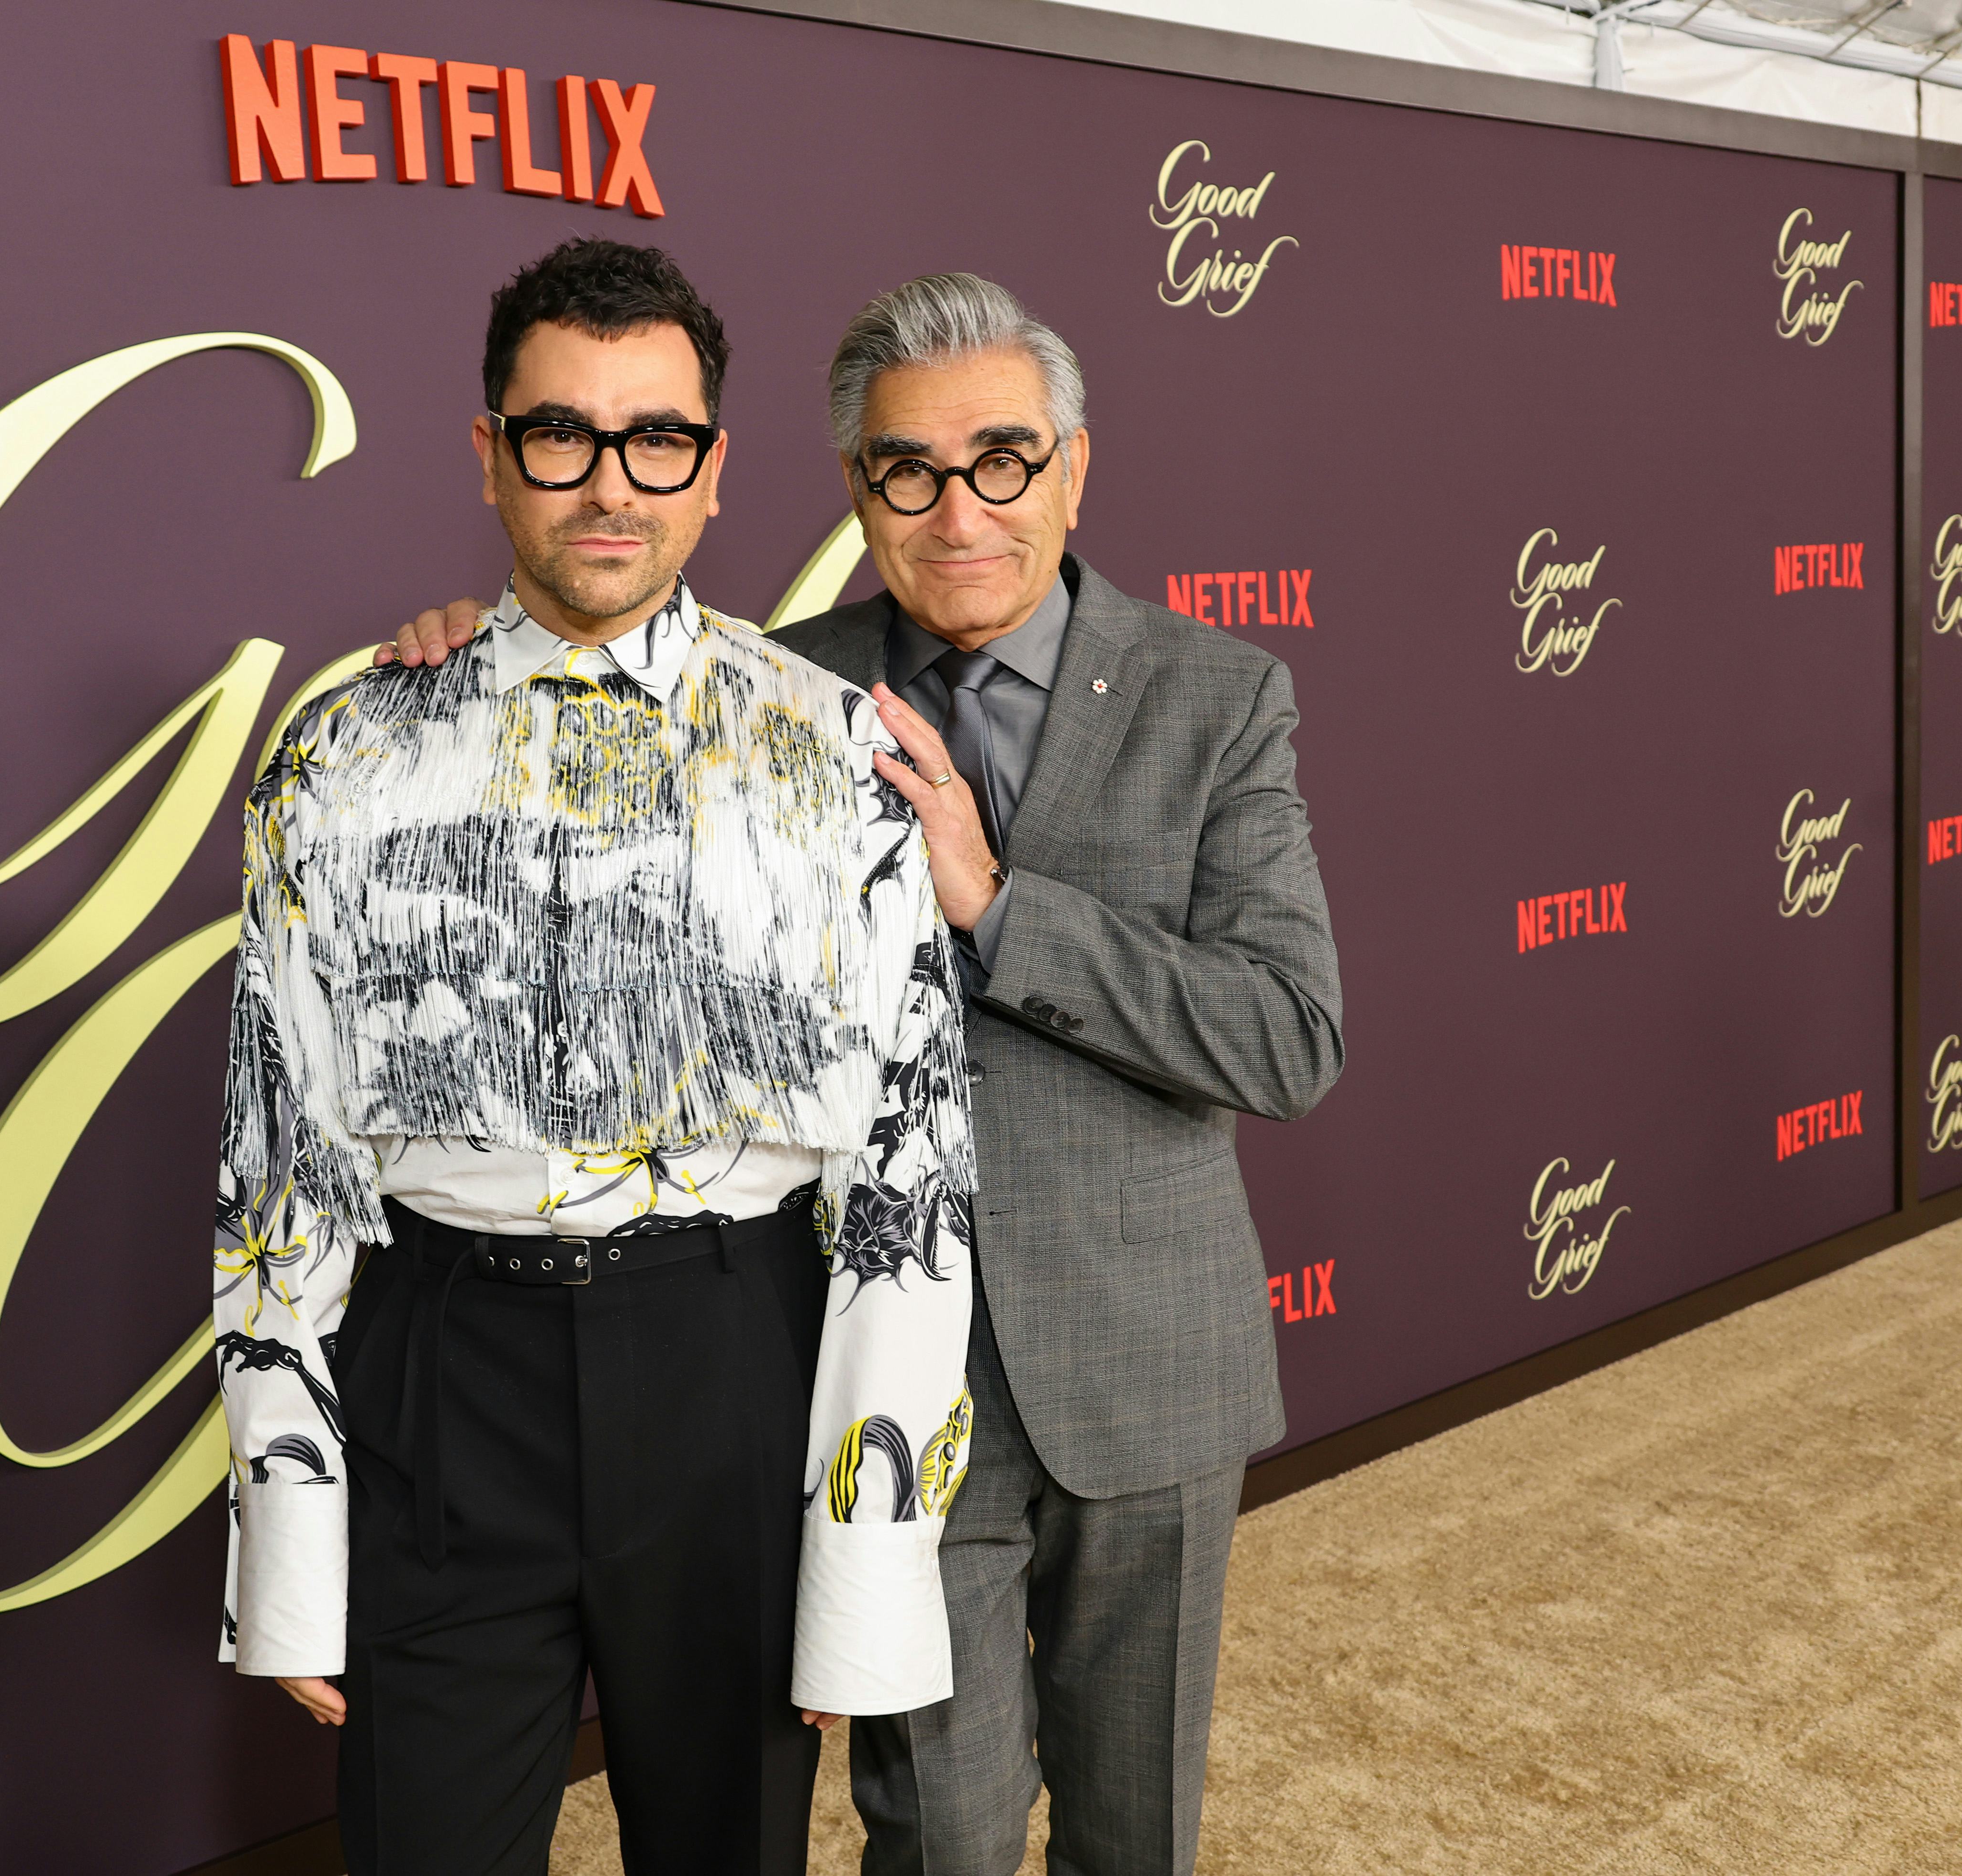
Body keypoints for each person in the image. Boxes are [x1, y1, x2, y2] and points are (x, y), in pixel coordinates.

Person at [380, 272, 1344, 1876]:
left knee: (1133, 1829)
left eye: (1001, 462)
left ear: (1073, 468)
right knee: (936, 1837)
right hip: (878, 1382)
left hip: (1144, 1362)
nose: (957, 511)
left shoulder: (1217, 696)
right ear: (855, 491)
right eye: (907, 471)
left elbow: (1284, 1038)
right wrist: (455, 665)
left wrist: (995, 906)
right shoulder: (769, 689)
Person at [214, 238, 979, 1876]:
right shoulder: (342, 750)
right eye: (560, 436)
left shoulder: (836, 755)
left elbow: (910, 1177)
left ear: (714, 470)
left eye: (658, 440)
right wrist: (285, 1532)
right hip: (439, 1365)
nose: (608, 485)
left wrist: (862, 1567)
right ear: (489, 455)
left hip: (729, 1361)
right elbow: (279, 1164)